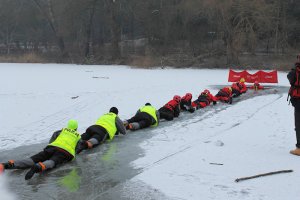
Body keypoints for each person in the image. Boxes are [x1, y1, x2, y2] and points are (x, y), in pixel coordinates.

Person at [0, 120, 81, 180]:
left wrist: (50, 149)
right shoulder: (78, 136)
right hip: (65, 152)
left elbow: (52, 140)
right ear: (76, 128)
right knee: (53, 161)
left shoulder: (61, 131)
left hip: (52, 148)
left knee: (32, 159)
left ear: (68, 125)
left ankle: (6, 165)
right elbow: (77, 149)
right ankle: (39, 166)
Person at [287, 56, 300, 156]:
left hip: (298, 101)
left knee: (298, 124)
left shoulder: (295, 71)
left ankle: (299, 148)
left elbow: (290, 78)